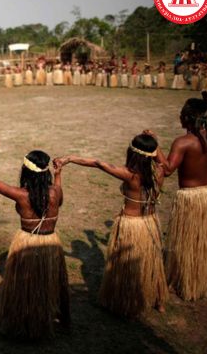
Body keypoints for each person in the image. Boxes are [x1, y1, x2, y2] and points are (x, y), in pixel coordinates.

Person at [55, 134, 168, 317]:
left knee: (126, 265)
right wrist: (155, 144)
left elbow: (98, 163)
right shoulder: (160, 172)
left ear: (133, 153)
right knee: (151, 262)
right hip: (150, 223)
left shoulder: (129, 174)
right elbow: (162, 161)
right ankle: (158, 300)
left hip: (131, 226)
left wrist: (69, 159)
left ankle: (126, 303)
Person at [147, 95, 207, 301]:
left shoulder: (183, 142)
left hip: (191, 198)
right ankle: (199, 277)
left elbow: (169, 169)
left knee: (190, 241)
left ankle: (189, 281)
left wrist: (155, 146)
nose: (179, 116)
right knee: (203, 239)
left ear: (187, 118)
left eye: (182, 114)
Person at [0, 150, 70, 339]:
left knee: (25, 285)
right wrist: (58, 174)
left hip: (27, 243)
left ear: (26, 172)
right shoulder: (55, 192)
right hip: (50, 243)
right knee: (54, 282)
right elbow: (58, 199)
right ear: (46, 172)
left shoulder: (20, 195)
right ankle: (62, 319)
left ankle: (24, 324)